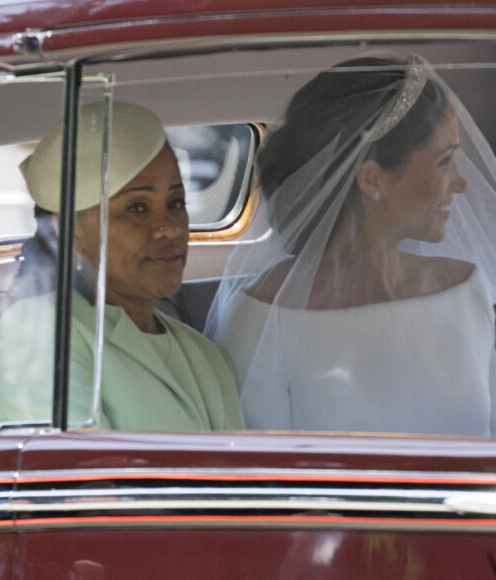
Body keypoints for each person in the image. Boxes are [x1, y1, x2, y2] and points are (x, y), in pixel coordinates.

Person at [206, 54, 496, 436]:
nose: (461, 183)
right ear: (373, 179)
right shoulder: (261, 316)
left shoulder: (469, 290)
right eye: (445, 162)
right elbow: (253, 476)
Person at [0, 101, 243, 431]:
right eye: (137, 208)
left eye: (176, 203)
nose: (171, 227)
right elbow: (76, 476)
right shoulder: (37, 333)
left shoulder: (207, 356)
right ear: (70, 229)